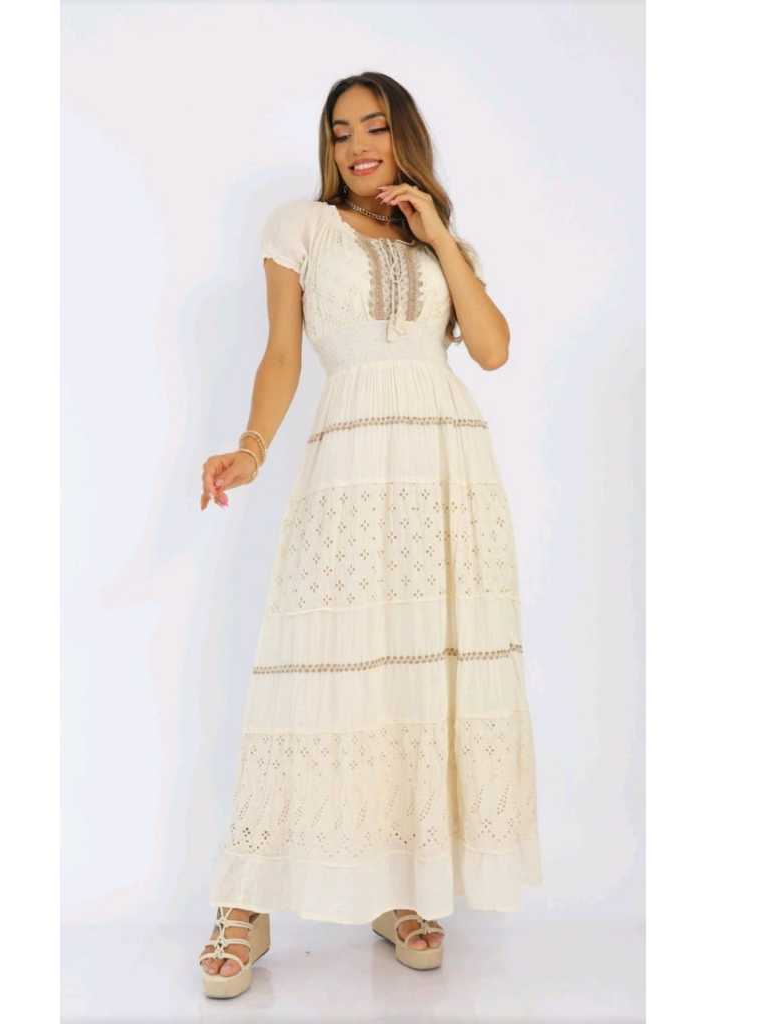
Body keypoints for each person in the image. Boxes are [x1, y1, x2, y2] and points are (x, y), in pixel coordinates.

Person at [197, 71, 542, 999]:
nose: (357, 145)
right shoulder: (301, 228)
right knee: (319, 666)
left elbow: (492, 348)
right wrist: (250, 447)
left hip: (446, 467)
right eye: (341, 130)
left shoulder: (439, 241)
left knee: (418, 672)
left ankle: (400, 889)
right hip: (351, 460)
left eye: (375, 127)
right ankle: (245, 902)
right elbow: (283, 353)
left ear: (404, 137)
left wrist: (437, 234)